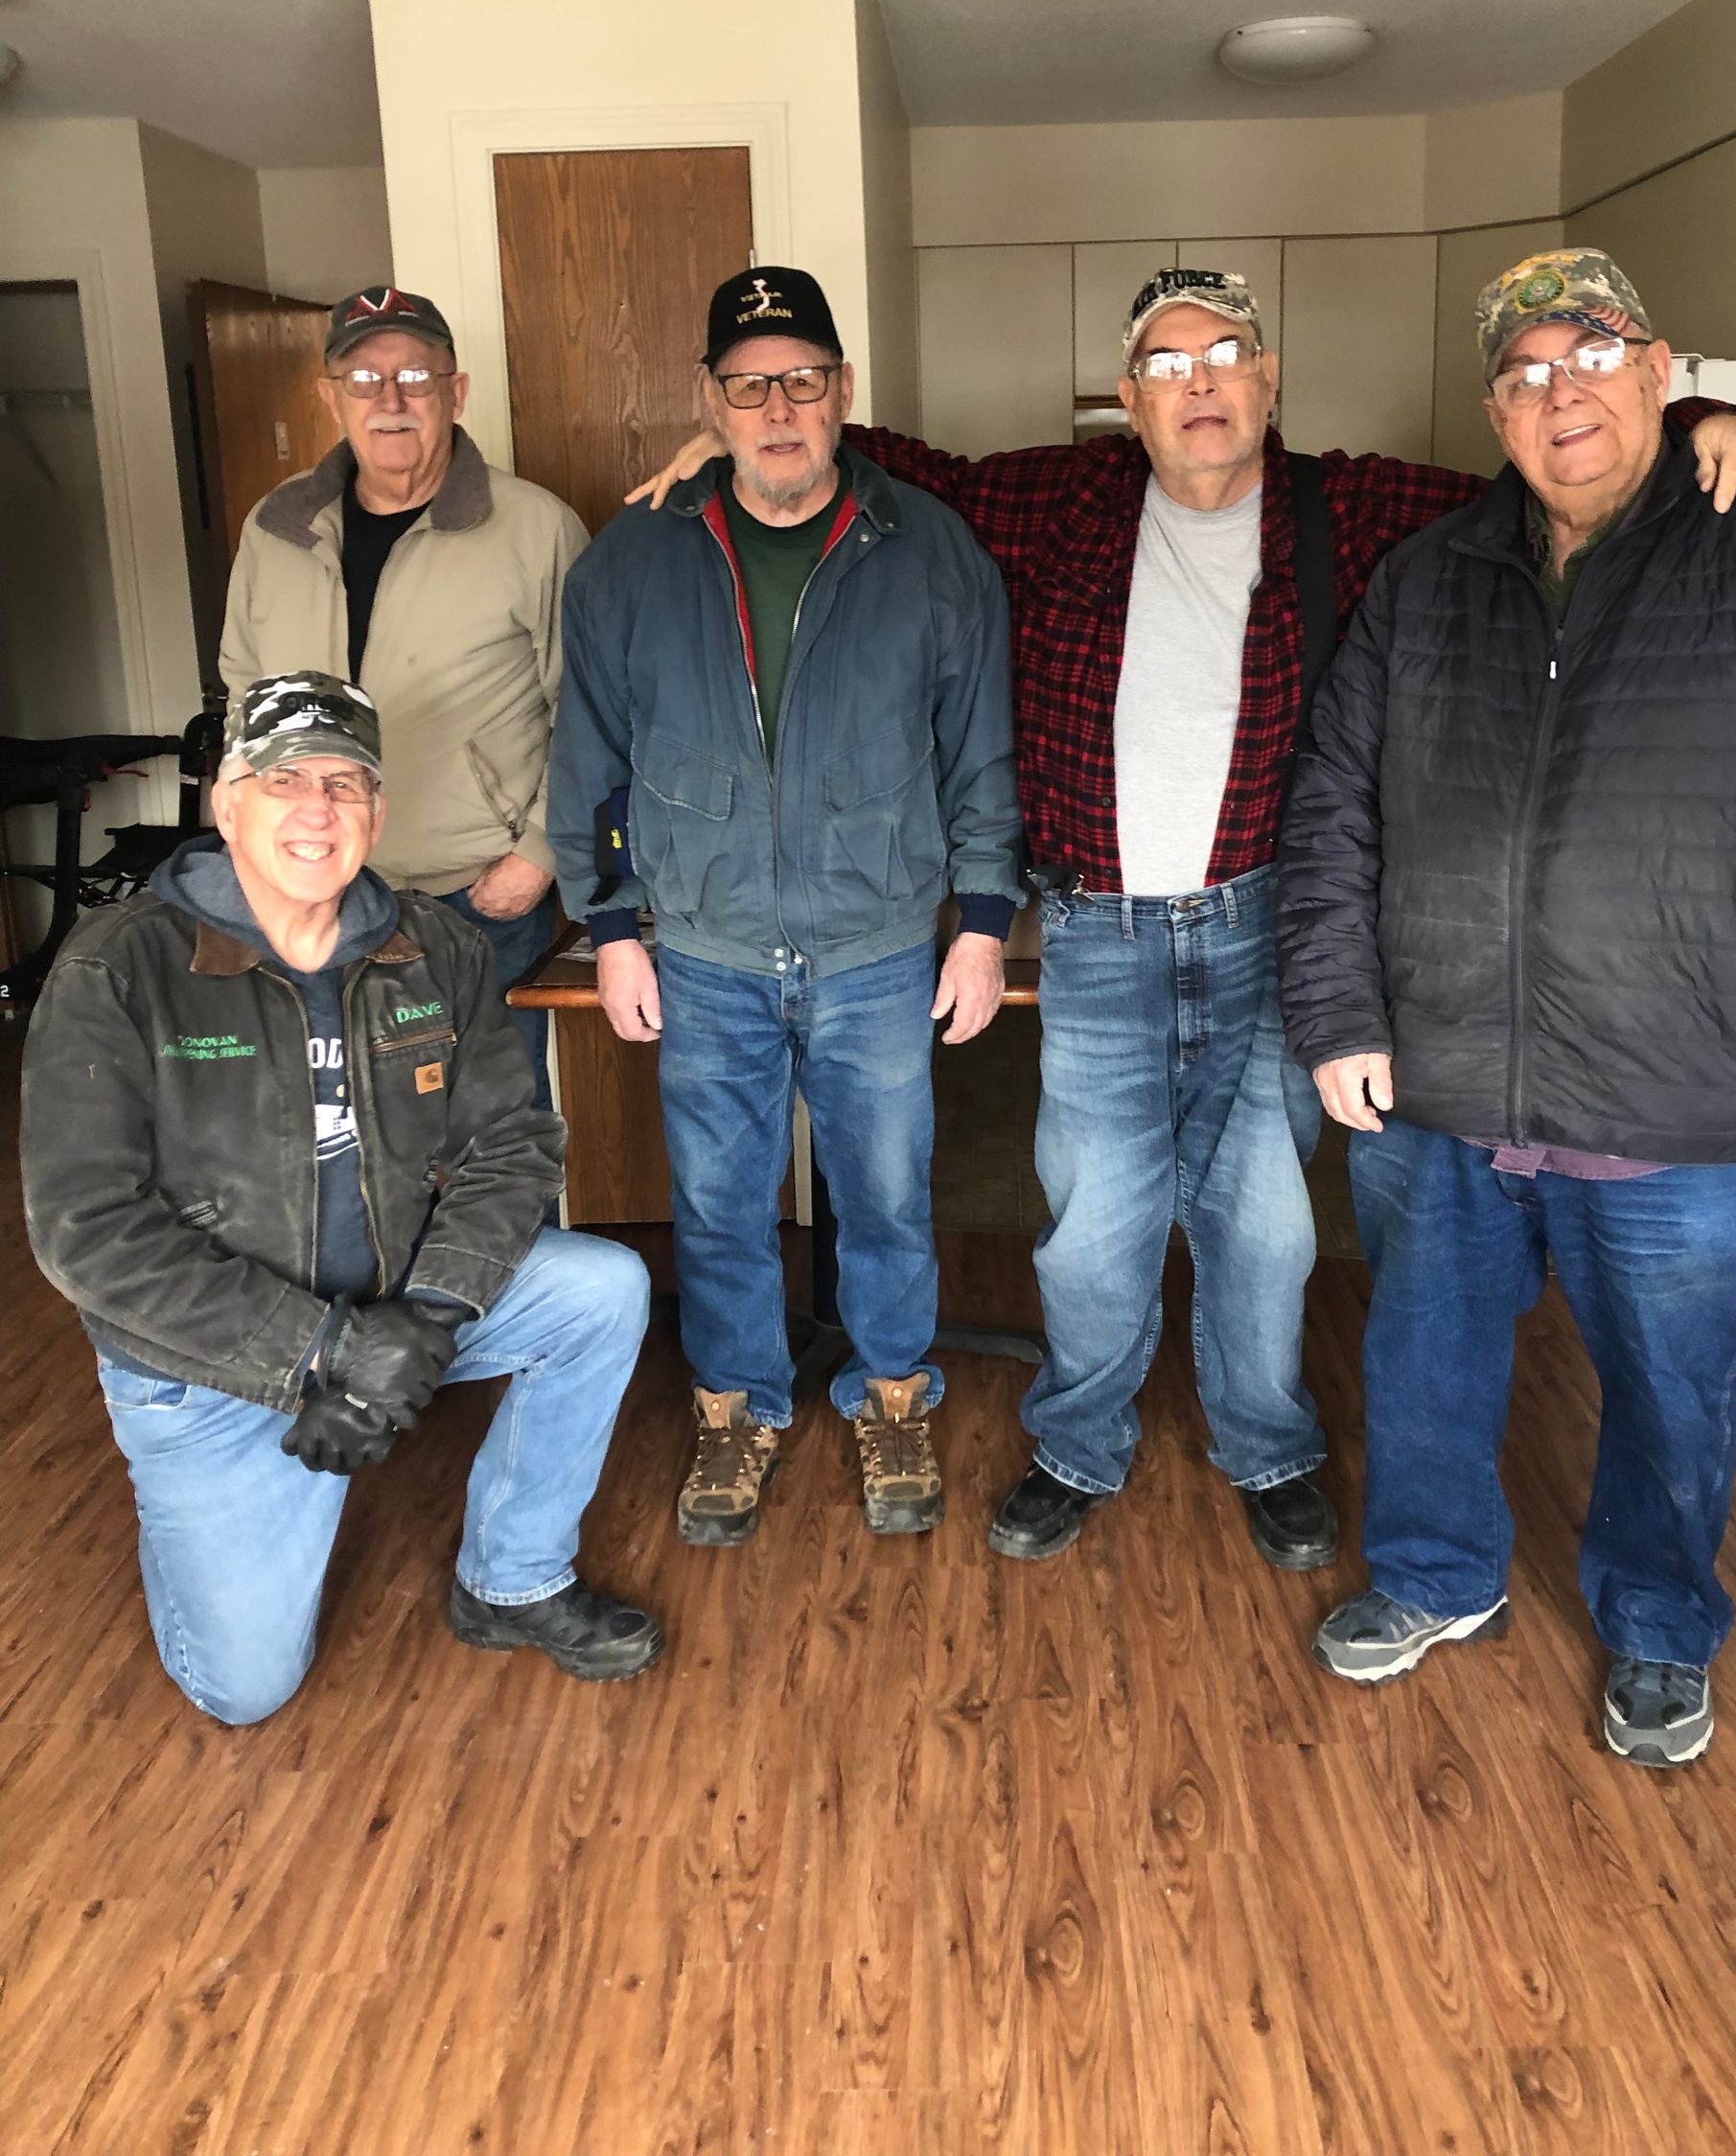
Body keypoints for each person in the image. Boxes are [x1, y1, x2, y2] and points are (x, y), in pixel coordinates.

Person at [633, 266, 1736, 1569]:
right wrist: (734, 435)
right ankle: (1080, 1439)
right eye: (1169, 365)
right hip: (1097, 935)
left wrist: (1703, 424)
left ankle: (1267, 1440)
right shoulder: (1060, 501)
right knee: (1096, 1225)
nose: (1201, 384)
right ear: (1129, 400)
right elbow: (890, 458)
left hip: (1261, 928)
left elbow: (1552, 474)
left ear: (1269, 378)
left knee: (1264, 1223)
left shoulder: (1346, 505)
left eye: (1226, 354)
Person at [1278, 248, 1736, 1768]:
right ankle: (1438, 1575)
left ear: (1660, 369)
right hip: (1446, 1079)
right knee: (1425, 1353)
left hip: (1687, 1098)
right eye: (1524, 375)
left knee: (1675, 1386)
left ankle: (1659, 1624)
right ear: (1492, 413)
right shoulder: (1427, 575)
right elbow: (1333, 804)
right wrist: (1339, 1011)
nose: (1558, 393)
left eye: (1590, 355)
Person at [21, 672, 661, 1725]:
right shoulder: (120, 967)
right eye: (283, 780)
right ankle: (203, 1515)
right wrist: (322, 1351)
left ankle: (514, 1575)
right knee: (245, 1690)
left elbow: (514, 1140)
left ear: (378, 811)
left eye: (346, 782)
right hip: (214, 1363)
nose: (317, 808)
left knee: (600, 1290)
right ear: (227, 804)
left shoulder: (430, 944)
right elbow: (84, 1228)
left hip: (392, 1294)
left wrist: (427, 1317)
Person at [549, 267, 1025, 1546]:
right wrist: (609, 927)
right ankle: (737, 1405)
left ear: (843, 393)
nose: (778, 408)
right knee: (716, 1201)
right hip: (701, 951)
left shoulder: (929, 551)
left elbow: (980, 751)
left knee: (886, 1195)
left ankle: (892, 1392)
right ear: (712, 402)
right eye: (750, 384)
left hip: (876, 946)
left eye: (802, 380)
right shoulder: (631, 563)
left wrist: (981, 917)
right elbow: (589, 761)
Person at [220, 287, 585, 1103]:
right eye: (363, 378)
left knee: (490, 1128)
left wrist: (539, 856)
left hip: (473, 894)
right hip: (312, 890)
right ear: (329, 397)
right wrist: (256, 848)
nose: (389, 400)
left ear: (455, 394)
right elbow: (245, 697)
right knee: (334, 1130)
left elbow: (592, 713)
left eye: (416, 375)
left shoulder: (537, 529)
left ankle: (507, 1243)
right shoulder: (274, 528)